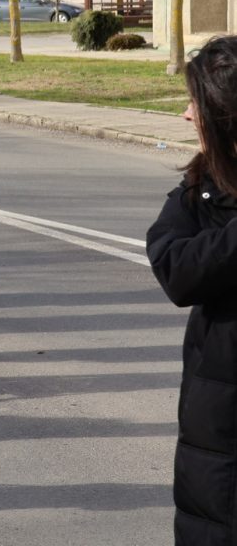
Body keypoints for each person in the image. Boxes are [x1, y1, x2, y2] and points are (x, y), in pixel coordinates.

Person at [146, 35, 237, 545]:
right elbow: (176, 269)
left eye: (196, 103)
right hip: (218, 426)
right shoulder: (201, 188)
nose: (185, 115)